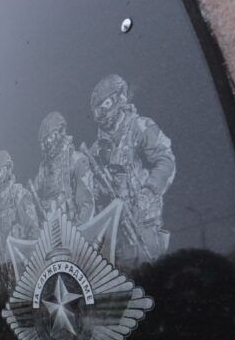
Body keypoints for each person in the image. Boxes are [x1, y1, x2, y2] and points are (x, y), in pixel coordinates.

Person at [85, 74, 176, 267]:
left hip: (145, 223)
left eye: (106, 104)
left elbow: (165, 161)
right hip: (116, 232)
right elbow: (92, 196)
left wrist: (148, 192)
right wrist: (98, 192)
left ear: (120, 99)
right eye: (97, 109)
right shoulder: (95, 151)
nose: (102, 112)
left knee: (153, 270)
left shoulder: (139, 127)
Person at [0, 150, 39, 295]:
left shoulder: (19, 195)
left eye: (0, 171)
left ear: (8, 169)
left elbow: (34, 235)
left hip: (24, 274)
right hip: (5, 278)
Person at [33, 111, 95, 226]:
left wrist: (77, 231)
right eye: (45, 140)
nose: (48, 143)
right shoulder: (43, 171)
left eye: (50, 137)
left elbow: (86, 206)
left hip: (74, 228)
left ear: (61, 132)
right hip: (52, 230)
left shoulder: (76, 160)